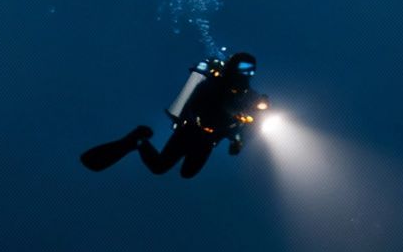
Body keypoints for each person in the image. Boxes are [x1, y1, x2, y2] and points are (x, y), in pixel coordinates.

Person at [80, 52, 269, 179]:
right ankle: (138, 140)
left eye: (251, 69)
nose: (248, 72)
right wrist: (236, 116)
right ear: (234, 67)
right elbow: (199, 105)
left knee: (188, 173)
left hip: (208, 140)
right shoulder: (213, 85)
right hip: (190, 131)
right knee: (159, 167)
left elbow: (248, 124)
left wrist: (239, 140)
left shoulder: (248, 96)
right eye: (244, 67)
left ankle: (139, 141)